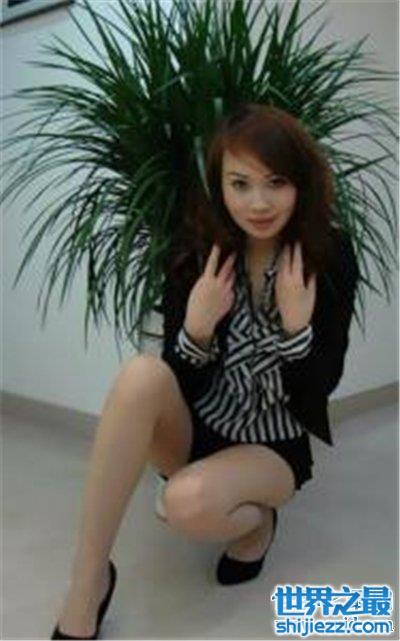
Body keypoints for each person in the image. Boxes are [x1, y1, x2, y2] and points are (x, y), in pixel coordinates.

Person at [50, 103, 360, 638]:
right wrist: (195, 329)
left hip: (273, 442)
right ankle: (88, 580)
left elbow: (321, 386)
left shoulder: (328, 255)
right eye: (240, 184)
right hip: (200, 425)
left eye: (276, 182)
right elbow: (178, 378)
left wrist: (296, 327)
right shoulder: (197, 251)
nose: (258, 203)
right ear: (219, 186)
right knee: (141, 375)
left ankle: (258, 523)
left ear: (300, 185)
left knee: (184, 504)